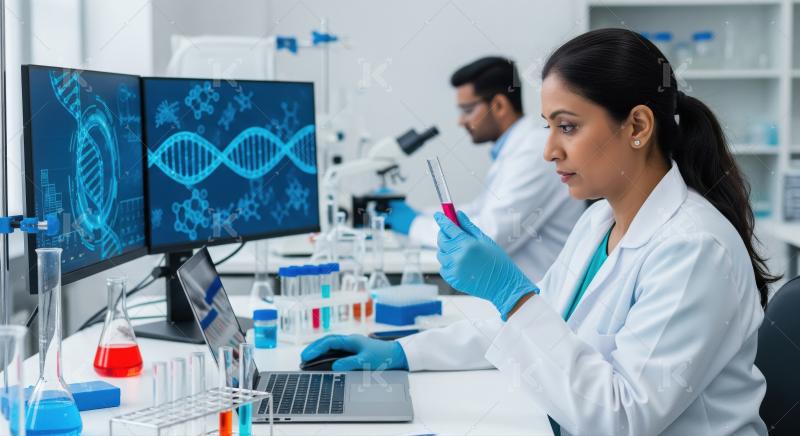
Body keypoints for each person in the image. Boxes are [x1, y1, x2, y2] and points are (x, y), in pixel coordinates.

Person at [302, 29, 777, 435]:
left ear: (637, 125)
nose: (549, 150)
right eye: (549, 127)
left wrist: (512, 295)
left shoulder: (694, 247)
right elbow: (532, 329)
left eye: (567, 127)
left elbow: (623, 417)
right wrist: (400, 351)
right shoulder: (599, 221)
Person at [384, 56, 584, 281]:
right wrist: (421, 214)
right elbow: (478, 211)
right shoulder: (512, 151)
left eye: (468, 110)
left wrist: (413, 224)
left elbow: (489, 235)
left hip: (541, 294)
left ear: (498, 106)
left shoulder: (534, 151)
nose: (461, 121)